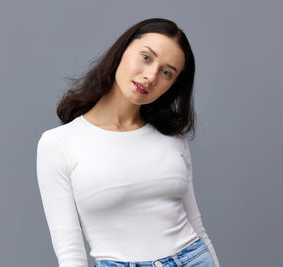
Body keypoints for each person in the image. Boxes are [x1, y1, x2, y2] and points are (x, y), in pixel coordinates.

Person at [36, 18, 220, 267]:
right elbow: (70, 252)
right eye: (146, 57)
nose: (151, 76)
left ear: (172, 85)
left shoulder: (172, 138)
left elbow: (197, 226)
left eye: (166, 72)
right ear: (122, 51)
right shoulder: (59, 144)